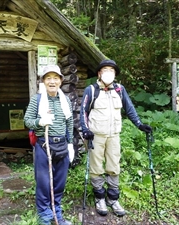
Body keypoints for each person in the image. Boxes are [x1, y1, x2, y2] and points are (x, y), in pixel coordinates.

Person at [80, 59, 152, 217]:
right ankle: (100, 198)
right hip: (96, 135)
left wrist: (139, 124)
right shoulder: (91, 90)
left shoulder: (119, 89)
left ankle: (113, 198)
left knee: (114, 166)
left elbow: (129, 108)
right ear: (99, 73)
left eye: (111, 70)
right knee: (96, 167)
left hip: (114, 135)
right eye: (105, 70)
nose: (108, 73)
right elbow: (83, 112)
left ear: (115, 74)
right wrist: (85, 130)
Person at [24, 65, 74, 225]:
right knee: (44, 182)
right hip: (43, 145)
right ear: (43, 81)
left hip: (62, 145)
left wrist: (71, 144)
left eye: (55, 78)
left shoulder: (65, 100)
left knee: (60, 181)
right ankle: (45, 216)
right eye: (48, 78)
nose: (52, 81)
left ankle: (56, 213)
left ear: (60, 80)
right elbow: (27, 121)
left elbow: (70, 121)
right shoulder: (37, 100)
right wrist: (40, 121)